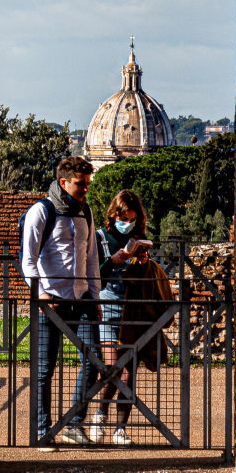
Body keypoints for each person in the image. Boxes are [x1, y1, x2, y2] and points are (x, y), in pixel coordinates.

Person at [19, 155, 99, 447]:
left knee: (94, 360)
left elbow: (91, 259)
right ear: (63, 182)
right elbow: (28, 259)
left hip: (82, 298)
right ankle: (43, 429)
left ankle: (74, 423)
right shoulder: (41, 211)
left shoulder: (86, 212)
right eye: (81, 184)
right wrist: (40, 294)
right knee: (44, 368)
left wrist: (95, 295)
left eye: (88, 184)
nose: (85, 189)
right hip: (50, 300)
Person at [90, 189, 155, 446]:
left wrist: (143, 261)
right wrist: (114, 261)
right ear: (113, 214)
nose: (126, 224)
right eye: (123, 218)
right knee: (113, 366)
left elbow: (144, 276)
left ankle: (120, 428)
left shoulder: (140, 239)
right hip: (106, 307)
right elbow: (94, 275)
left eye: (131, 220)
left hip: (132, 309)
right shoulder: (100, 237)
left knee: (129, 372)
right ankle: (100, 414)